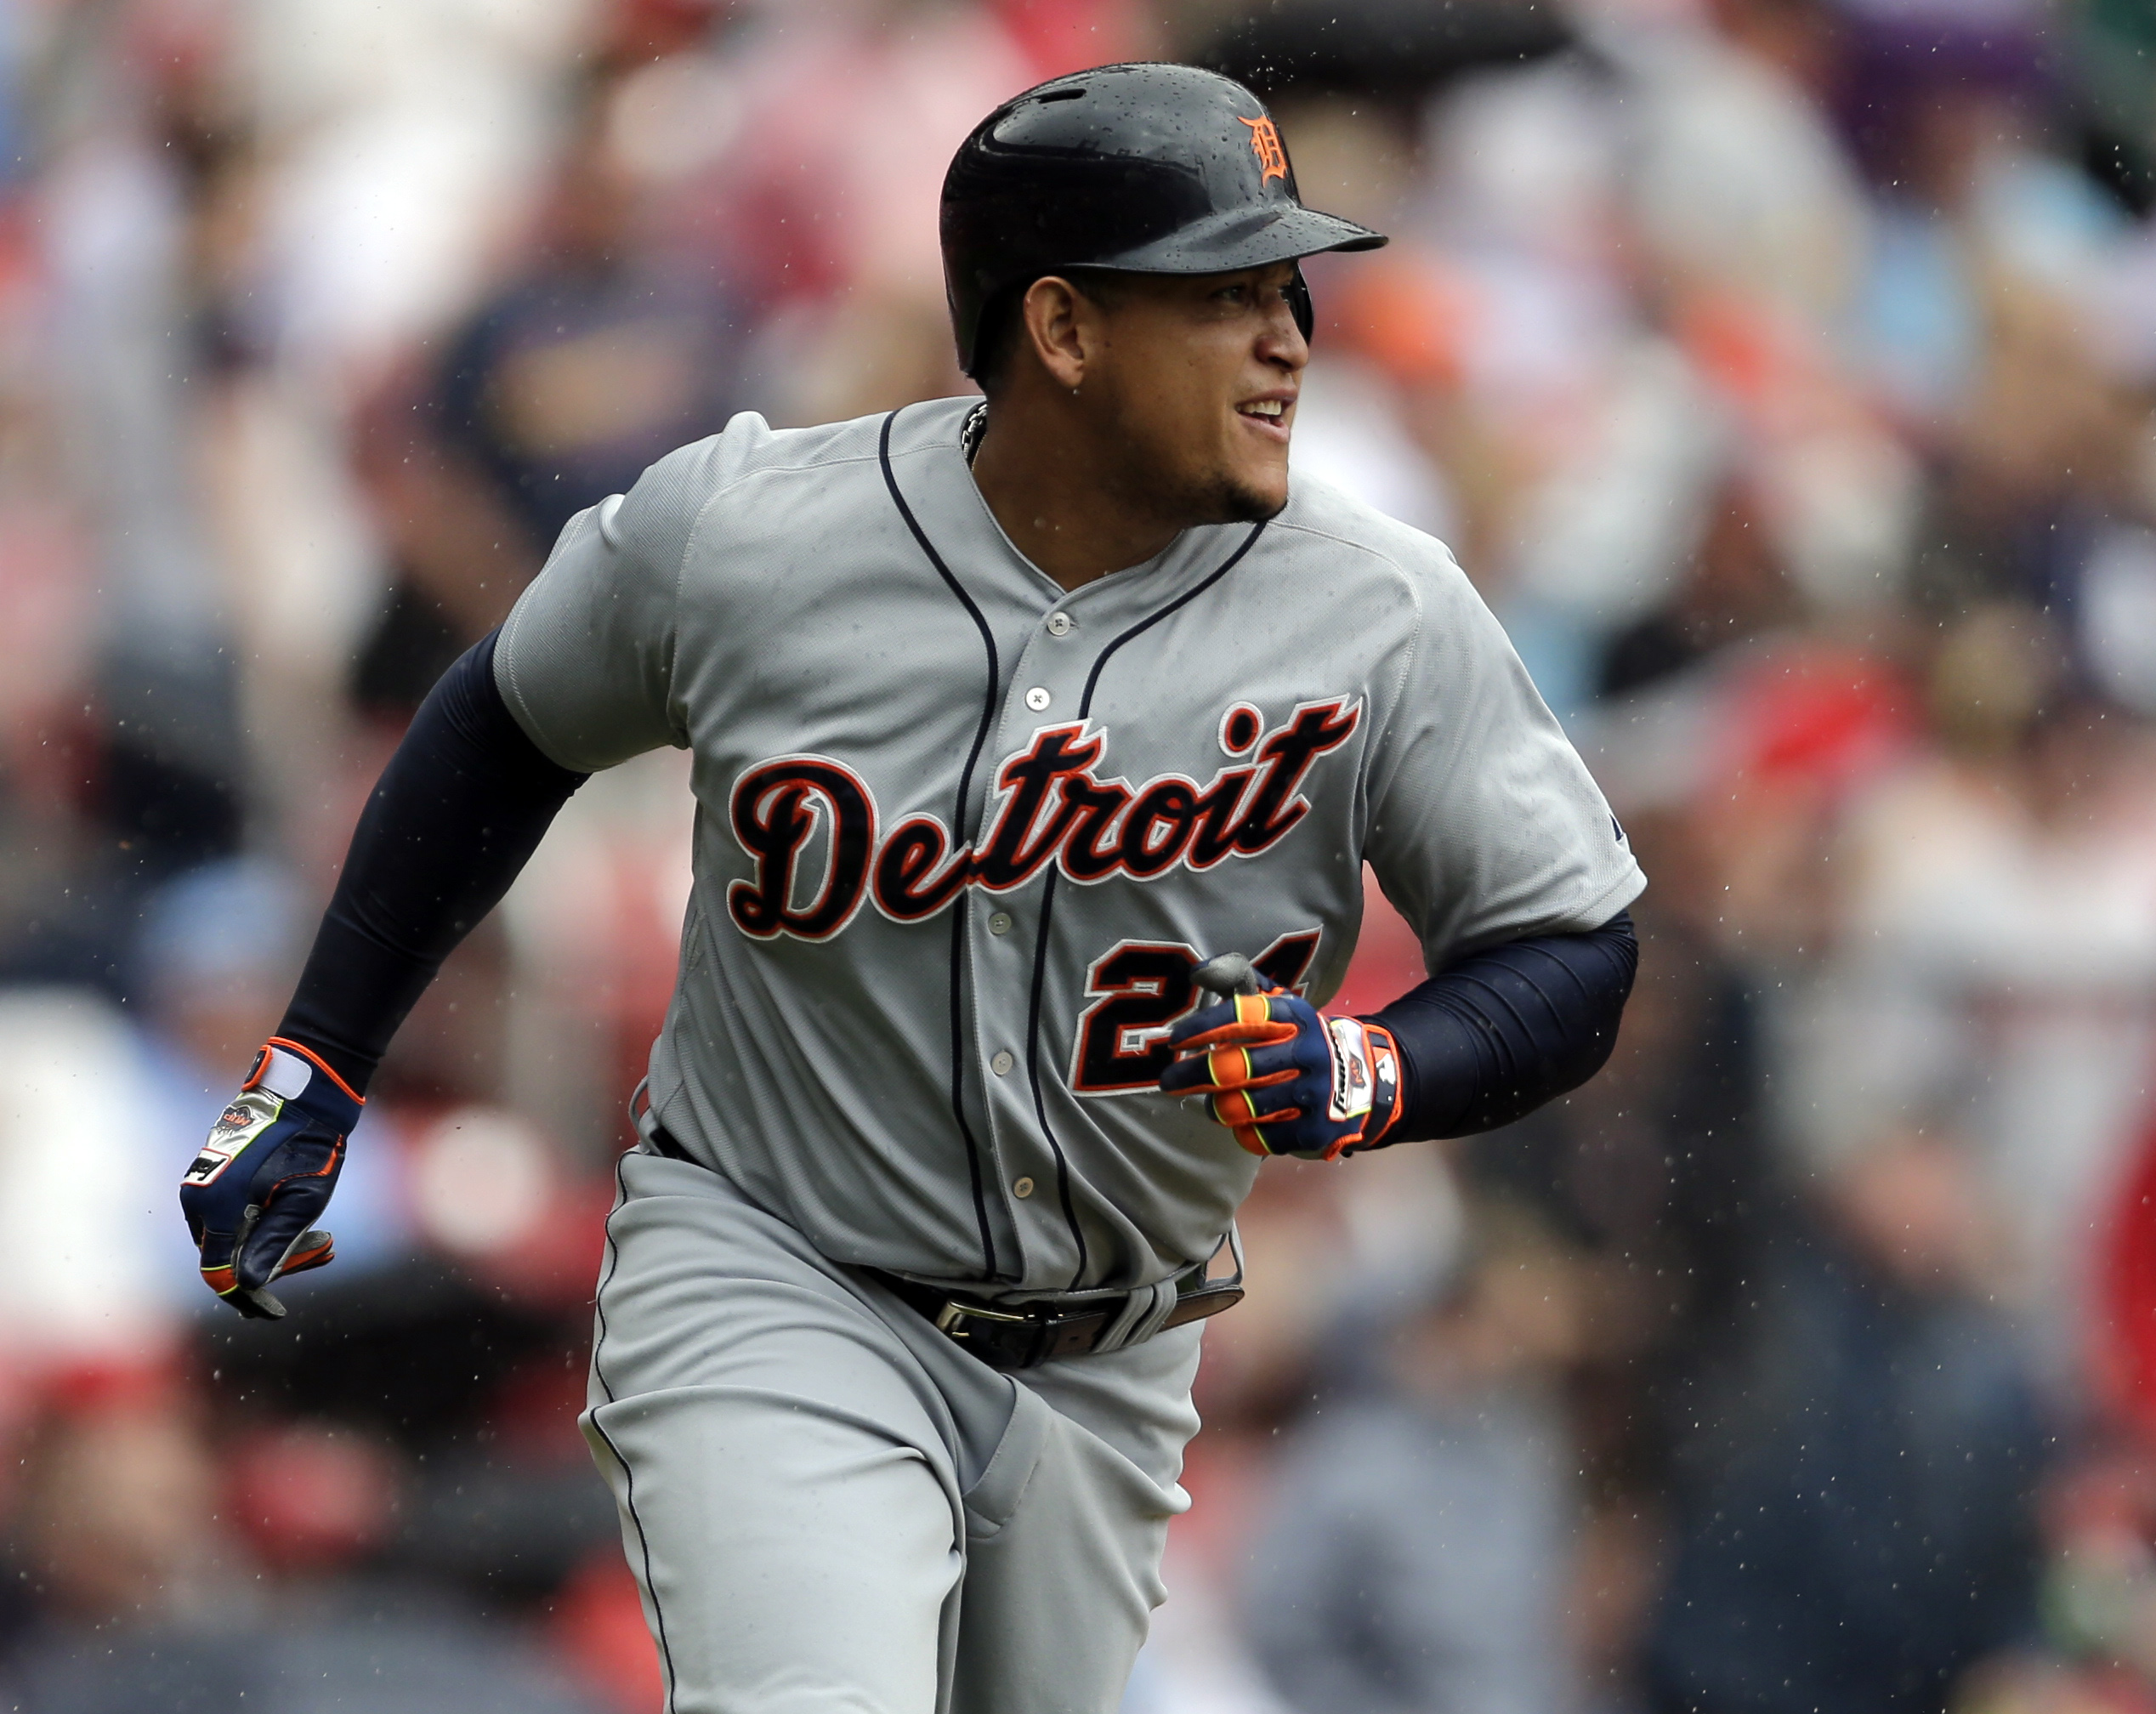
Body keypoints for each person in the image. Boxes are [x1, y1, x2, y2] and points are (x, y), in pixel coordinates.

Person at [176, 61, 1643, 1714]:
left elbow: (1571, 945)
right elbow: (501, 728)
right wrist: (318, 1061)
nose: (1288, 338)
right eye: (1223, 296)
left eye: (1286, 289)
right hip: (775, 1274)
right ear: (1063, 329)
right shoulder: (752, 537)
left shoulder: (1377, 606)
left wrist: (1385, 1069)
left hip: (1111, 1348)